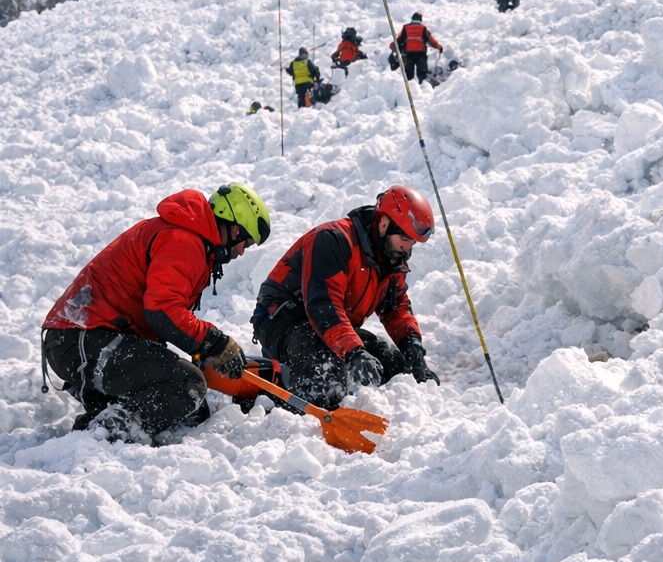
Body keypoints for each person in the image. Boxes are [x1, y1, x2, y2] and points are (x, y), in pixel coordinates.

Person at [41, 184, 270, 442]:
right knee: (187, 385)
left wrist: (204, 349)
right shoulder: (184, 240)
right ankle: (104, 437)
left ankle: (95, 429)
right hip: (84, 339)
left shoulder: (186, 235)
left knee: (191, 411)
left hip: (82, 341)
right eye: (245, 243)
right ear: (235, 229)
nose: (241, 252)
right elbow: (162, 310)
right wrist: (215, 342)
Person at [250, 185, 440, 408]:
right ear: (384, 224)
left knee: (392, 365)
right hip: (283, 321)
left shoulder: (391, 257)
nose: (408, 249)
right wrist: (354, 352)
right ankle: (285, 412)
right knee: (327, 371)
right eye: (405, 239)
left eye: (413, 243)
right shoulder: (333, 240)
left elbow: (395, 307)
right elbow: (323, 306)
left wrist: (412, 347)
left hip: (329, 330)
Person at [397, 13, 443, 84]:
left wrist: (393, 46)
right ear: (420, 20)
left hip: (408, 54)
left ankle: (409, 87)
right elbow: (431, 40)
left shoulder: (406, 28)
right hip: (420, 54)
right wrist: (439, 47)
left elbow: (399, 40)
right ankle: (423, 86)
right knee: (422, 74)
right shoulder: (423, 28)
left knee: (408, 74)